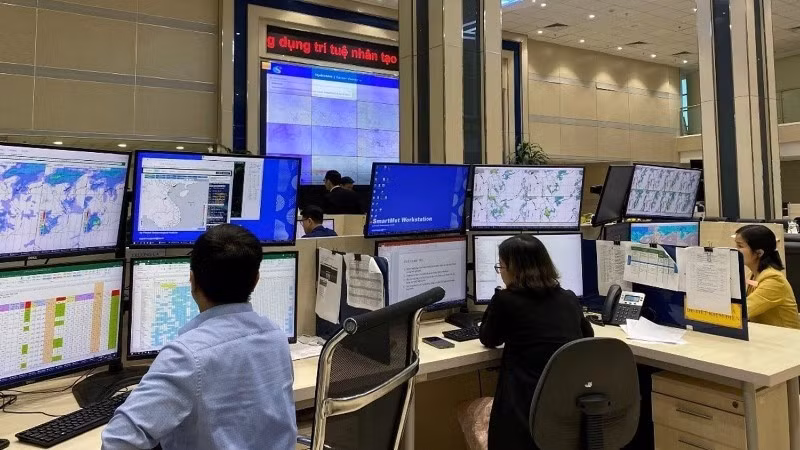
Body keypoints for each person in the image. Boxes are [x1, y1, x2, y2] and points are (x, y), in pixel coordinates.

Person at [102, 225, 296, 450]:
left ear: (192, 281)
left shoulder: (187, 356)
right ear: (256, 280)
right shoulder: (276, 338)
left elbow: (118, 442)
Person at [477, 234, 594, 450]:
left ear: (513, 269)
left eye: (500, 267)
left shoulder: (507, 300)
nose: (500, 272)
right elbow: (587, 338)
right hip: (565, 408)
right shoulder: (568, 298)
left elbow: (489, 338)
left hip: (522, 413)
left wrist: (498, 298)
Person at [735, 225, 800, 329]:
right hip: (765, 336)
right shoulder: (753, 274)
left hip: (786, 341)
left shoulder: (774, 280)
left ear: (759, 253)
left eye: (740, 246)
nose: (735, 250)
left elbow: (741, 311)